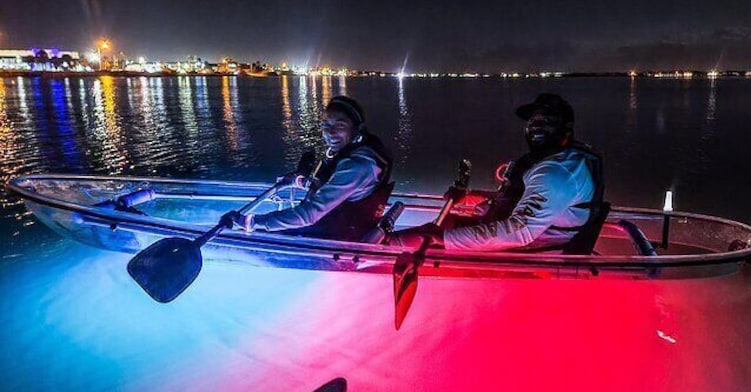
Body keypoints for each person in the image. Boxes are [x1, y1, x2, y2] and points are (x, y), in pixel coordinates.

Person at [390, 93, 604, 252]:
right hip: (525, 239)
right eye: (533, 121)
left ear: (566, 128)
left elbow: (519, 231)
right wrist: (471, 197)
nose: (537, 127)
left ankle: (371, 261)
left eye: (547, 122)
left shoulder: (557, 172)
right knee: (448, 221)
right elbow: (518, 199)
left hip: (531, 254)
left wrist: (444, 239)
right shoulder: (560, 160)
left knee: (419, 239)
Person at [224, 95, 393, 241]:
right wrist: (300, 181)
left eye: (340, 125)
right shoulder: (351, 151)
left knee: (261, 229)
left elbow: (309, 214)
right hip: (337, 223)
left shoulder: (358, 165)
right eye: (325, 125)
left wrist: (251, 222)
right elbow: (333, 186)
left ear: (357, 128)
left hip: (334, 236)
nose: (330, 133)